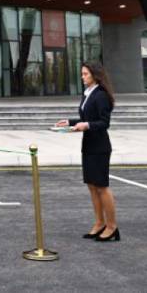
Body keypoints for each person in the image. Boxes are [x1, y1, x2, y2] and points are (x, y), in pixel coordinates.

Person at [55, 61, 119, 242]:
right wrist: (70, 122)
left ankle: (112, 227)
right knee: (92, 186)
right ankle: (99, 223)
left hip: (100, 147)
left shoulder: (101, 95)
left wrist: (86, 125)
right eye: (82, 74)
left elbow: (104, 122)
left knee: (102, 186)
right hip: (89, 145)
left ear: (95, 75)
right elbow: (87, 118)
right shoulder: (88, 93)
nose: (82, 77)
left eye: (85, 74)